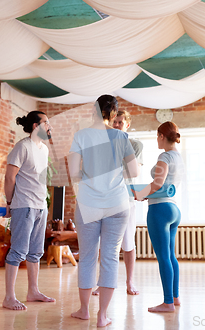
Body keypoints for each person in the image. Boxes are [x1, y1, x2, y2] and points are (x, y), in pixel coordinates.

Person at [69, 95, 139, 327]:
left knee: (87, 257)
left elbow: (73, 172)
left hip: (88, 202)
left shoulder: (80, 135)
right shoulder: (120, 136)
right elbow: (134, 172)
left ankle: (83, 310)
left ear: (94, 111)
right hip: (117, 204)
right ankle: (102, 316)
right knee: (109, 257)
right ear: (113, 113)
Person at [2, 111, 55, 310]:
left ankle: (33, 291)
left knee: (35, 252)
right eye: (46, 123)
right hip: (23, 205)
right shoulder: (22, 147)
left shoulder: (44, 150)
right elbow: (9, 178)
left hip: (41, 206)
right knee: (18, 251)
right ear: (35, 126)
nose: (50, 127)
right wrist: (9, 202)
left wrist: (45, 205)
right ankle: (9, 297)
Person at [133, 121, 184, 313]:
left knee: (163, 257)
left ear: (162, 136)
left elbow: (157, 183)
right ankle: (175, 297)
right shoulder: (178, 157)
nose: (157, 139)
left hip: (160, 209)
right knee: (170, 256)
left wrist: (139, 193)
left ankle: (167, 303)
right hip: (173, 209)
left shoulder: (165, 156)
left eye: (157, 136)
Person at [93, 110, 143, 296]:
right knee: (104, 244)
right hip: (106, 200)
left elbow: (132, 171)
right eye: (114, 122)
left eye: (120, 122)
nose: (116, 125)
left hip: (126, 200)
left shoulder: (135, 145)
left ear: (127, 125)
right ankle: (102, 283)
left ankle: (130, 282)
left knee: (128, 243)